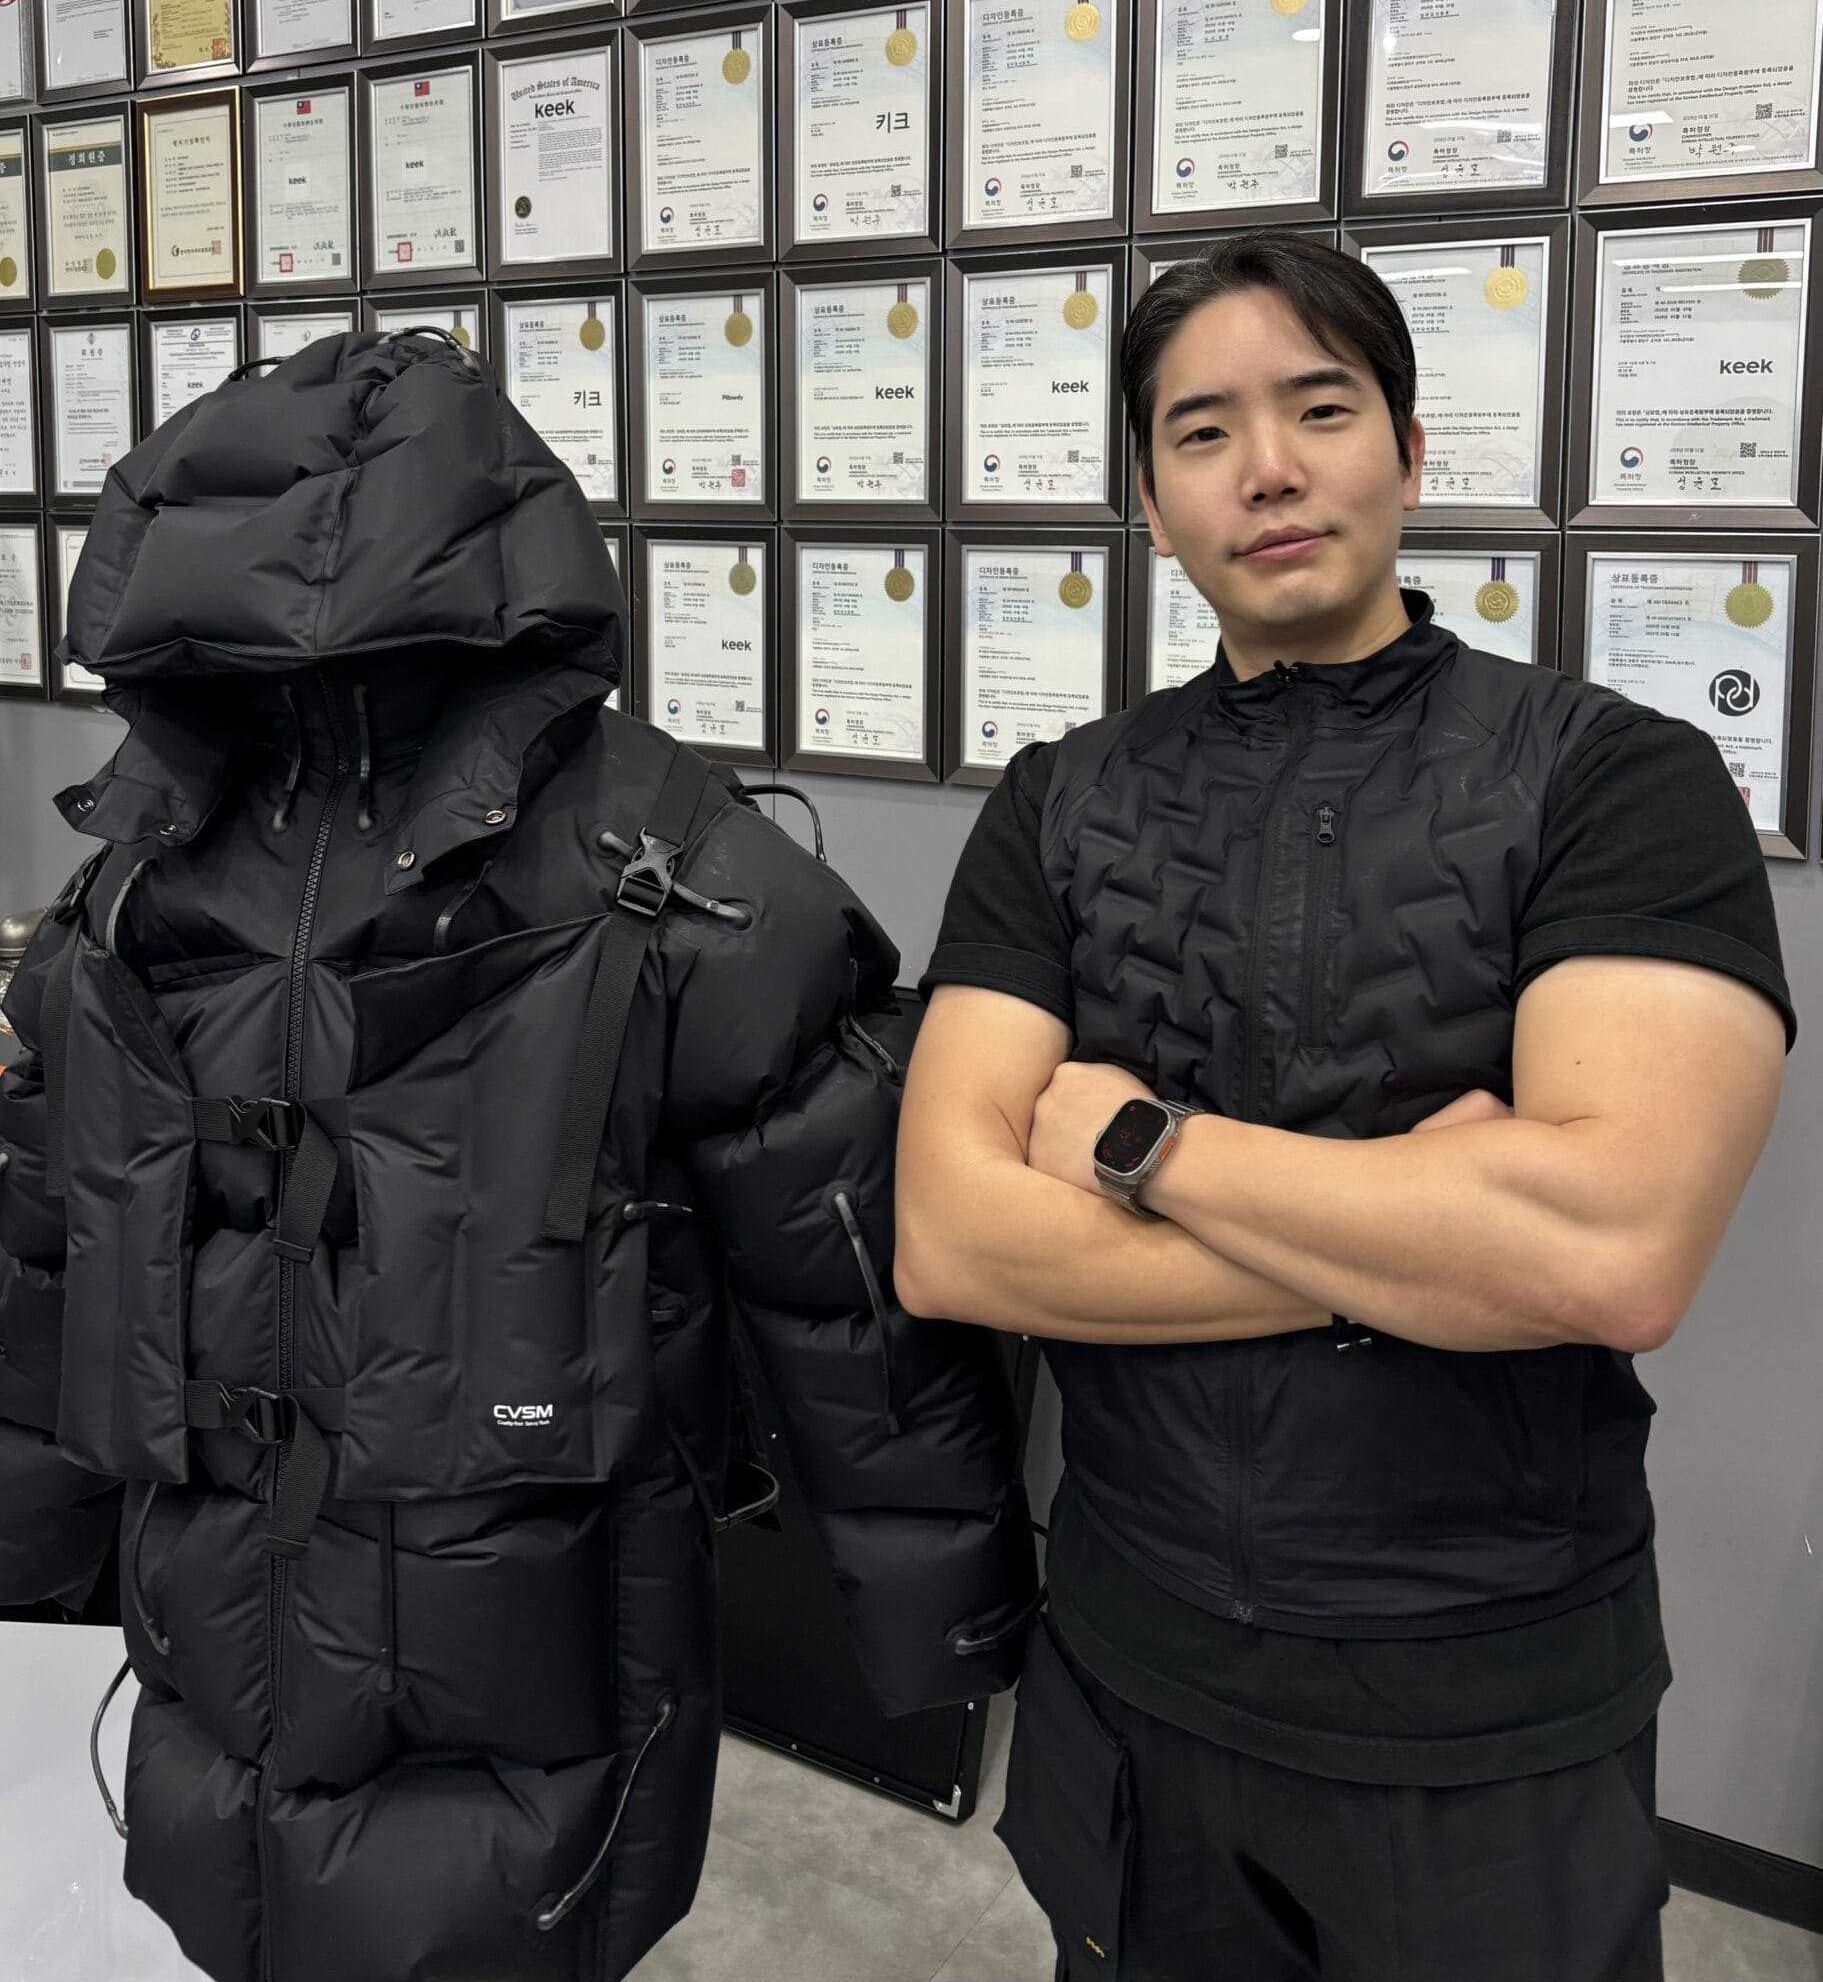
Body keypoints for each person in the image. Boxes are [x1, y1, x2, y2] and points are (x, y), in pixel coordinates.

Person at [0, 329, 1035, 1982]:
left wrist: (942, 1612)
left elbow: (852, 1292)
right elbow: (52, 1239)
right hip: (208, 1632)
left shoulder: (683, 883)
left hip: (539, 1666)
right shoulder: (132, 883)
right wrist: (35, 1539)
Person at [897, 233, 1791, 1982]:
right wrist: (1430, 1243)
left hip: (1488, 1704)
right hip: (1136, 1671)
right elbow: (949, 1240)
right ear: (1151, 504)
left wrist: (1143, 1148)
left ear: (1410, 450)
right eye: (1203, 431)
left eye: (1322, 408)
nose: (1270, 468)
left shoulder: (1614, 778)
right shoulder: (1060, 804)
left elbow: (1609, 1254)